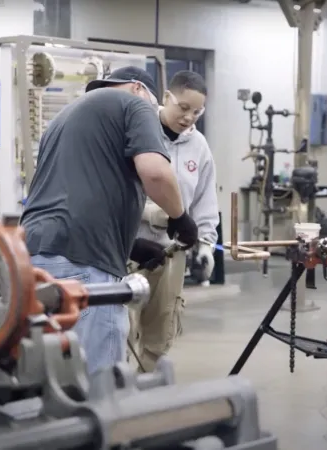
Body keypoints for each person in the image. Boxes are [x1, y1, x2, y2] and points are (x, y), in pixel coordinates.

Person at [20, 66, 198, 376]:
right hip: (85, 266)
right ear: (138, 89)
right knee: (101, 385)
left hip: (35, 261)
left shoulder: (63, 119)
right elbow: (155, 172)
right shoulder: (136, 104)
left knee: (51, 381)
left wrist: (130, 246)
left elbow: (74, 194)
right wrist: (180, 217)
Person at [129, 70, 219, 373]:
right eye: (183, 108)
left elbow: (205, 201)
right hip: (130, 250)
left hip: (172, 253)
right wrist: (153, 213)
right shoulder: (138, 130)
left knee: (161, 330)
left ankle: (145, 390)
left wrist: (206, 244)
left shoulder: (199, 146)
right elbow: (119, 189)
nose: (189, 117)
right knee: (121, 327)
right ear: (167, 97)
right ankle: (115, 398)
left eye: (197, 111)